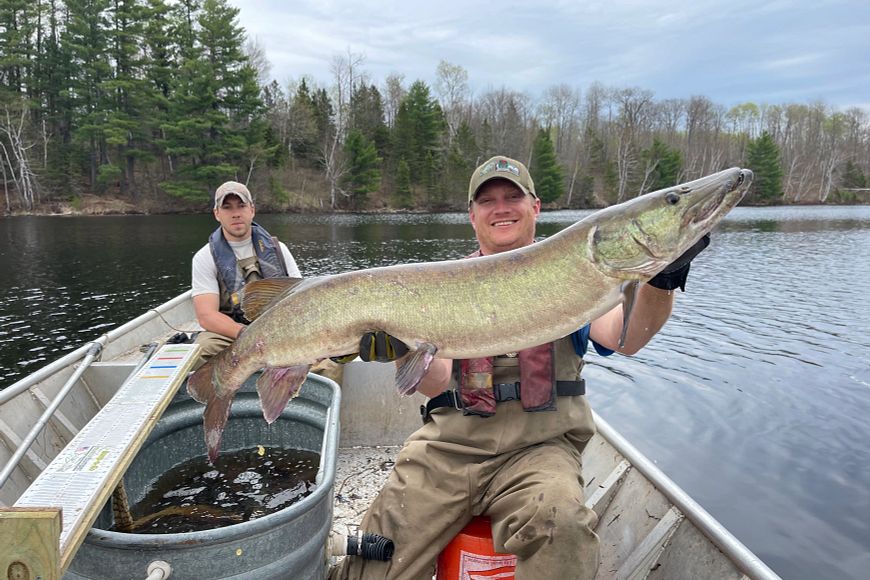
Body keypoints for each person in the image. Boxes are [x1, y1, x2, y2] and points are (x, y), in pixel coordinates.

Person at [329, 156, 709, 580]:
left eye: (513, 196)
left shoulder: (577, 270)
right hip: (450, 447)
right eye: (488, 200)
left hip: (539, 449)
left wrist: (663, 280)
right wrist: (401, 347)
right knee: (373, 563)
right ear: (472, 216)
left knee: (561, 523)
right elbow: (433, 381)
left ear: (536, 207)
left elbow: (627, 338)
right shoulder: (438, 287)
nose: (502, 207)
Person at [190, 181, 300, 370]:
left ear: (252, 210)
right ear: (217, 214)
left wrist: (279, 334)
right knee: (202, 350)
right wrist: (249, 335)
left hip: (280, 329)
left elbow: (300, 300)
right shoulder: (204, 257)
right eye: (227, 207)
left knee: (328, 360)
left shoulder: (279, 250)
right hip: (232, 334)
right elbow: (207, 316)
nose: (236, 213)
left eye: (241, 206)